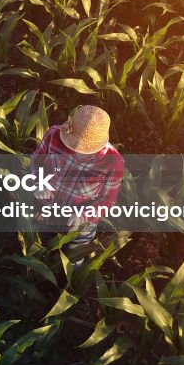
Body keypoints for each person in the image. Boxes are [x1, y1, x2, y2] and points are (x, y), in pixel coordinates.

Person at [32, 105, 124, 254]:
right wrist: (40, 182)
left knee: (75, 254)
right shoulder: (53, 135)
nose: (76, 150)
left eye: (84, 148)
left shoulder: (113, 162)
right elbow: (37, 161)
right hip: (46, 208)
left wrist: (84, 216)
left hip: (80, 222)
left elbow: (107, 201)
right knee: (41, 242)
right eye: (73, 143)